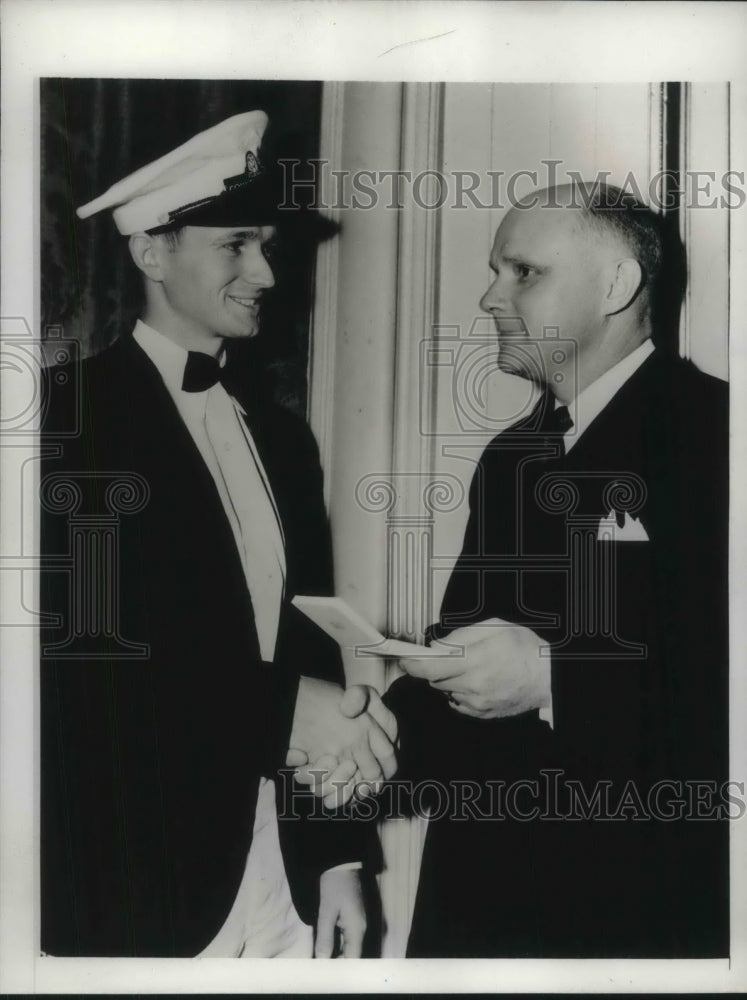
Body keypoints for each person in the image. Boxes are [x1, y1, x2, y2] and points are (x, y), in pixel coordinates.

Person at [40, 110, 396, 958]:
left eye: (268, 245)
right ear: (151, 251)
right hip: (137, 887)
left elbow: (309, 649)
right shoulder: (65, 422)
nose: (267, 272)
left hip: (277, 885)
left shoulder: (281, 438)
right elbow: (83, 666)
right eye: (236, 245)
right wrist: (283, 710)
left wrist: (338, 853)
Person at [386, 183, 729, 957]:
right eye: (495, 272)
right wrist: (373, 733)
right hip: (476, 907)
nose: (488, 297)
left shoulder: (718, 436)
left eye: (522, 273)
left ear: (616, 285)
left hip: (635, 916)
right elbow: (462, 654)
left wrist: (555, 680)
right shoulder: (509, 456)